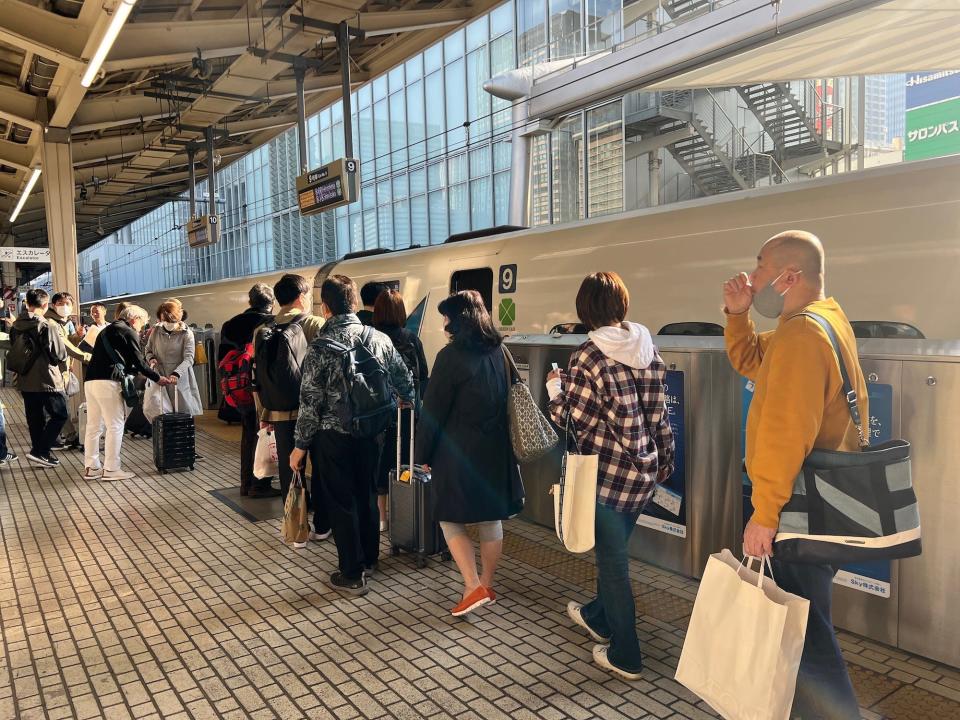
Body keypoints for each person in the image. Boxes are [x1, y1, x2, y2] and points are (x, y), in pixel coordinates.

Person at [723, 230, 866, 719]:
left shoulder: (803, 335)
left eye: (760, 267)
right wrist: (739, 314)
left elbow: (786, 433)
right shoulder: (817, 322)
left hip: (794, 508)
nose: (753, 274)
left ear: (789, 277)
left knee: (808, 641)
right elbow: (751, 360)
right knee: (803, 629)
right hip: (815, 501)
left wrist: (765, 514)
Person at [546, 272, 675, 681]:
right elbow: (659, 415)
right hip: (643, 473)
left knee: (613, 564)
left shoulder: (588, 355)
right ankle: (597, 616)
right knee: (613, 555)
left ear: (586, 309)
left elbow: (575, 420)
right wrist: (662, 461)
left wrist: (555, 391)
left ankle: (626, 653)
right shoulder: (648, 347)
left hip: (605, 478)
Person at [289, 275, 413, 595]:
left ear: (325, 308)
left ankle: (352, 573)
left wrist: (300, 446)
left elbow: (310, 402)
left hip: (333, 435)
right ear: (355, 303)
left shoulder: (320, 348)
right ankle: (370, 558)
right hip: (374, 431)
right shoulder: (380, 338)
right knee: (367, 495)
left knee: (342, 502)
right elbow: (405, 383)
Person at [415, 290, 519, 617]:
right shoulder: (500, 351)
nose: (444, 324)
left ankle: (472, 585)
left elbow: (432, 413)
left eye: (446, 317)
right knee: (490, 519)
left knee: (448, 517)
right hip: (496, 448)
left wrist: (422, 453)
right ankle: (486, 583)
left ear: (458, 320)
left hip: (458, 452)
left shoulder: (450, 358)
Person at [254, 274, 328, 535]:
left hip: (279, 411)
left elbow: (260, 377)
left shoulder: (261, 330)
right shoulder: (314, 323)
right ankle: (322, 525)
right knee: (320, 467)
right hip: (314, 412)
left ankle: (296, 526)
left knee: (291, 469)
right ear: (302, 296)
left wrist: (264, 413)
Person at [84, 305, 173, 481]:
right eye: (142, 323)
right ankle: (111, 469)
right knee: (115, 425)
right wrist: (157, 378)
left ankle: (91, 467)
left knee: (94, 426)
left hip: (91, 381)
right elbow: (139, 362)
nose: (142, 328)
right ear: (134, 319)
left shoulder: (106, 330)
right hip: (108, 382)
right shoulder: (128, 331)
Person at [373, 289, 429, 531]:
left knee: (380, 462)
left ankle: (382, 518)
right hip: (407, 412)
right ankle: (407, 512)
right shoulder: (411, 338)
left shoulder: (371, 337)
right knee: (405, 460)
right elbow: (423, 375)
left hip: (379, 413)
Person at [220, 283, 279, 498]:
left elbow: (222, 361)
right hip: (261, 389)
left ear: (250, 302)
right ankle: (260, 484)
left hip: (238, 390)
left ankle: (245, 483)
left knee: (248, 435)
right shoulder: (270, 323)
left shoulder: (230, 324)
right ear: (271, 303)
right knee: (265, 433)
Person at [9, 289, 69, 468]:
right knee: (60, 415)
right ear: (45, 305)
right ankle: (40, 451)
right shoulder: (46, 325)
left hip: (25, 379)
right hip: (47, 380)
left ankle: (40, 453)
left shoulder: (17, 324)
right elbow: (58, 353)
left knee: (35, 418)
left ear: (27, 303)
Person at [46, 292, 90, 448]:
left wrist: (78, 337)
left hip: (62, 369)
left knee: (58, 406)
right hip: (52, 371)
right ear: (53, 305)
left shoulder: (65, 322)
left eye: (67, 303)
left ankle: (56, 439)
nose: (64, 306)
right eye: (60, 303)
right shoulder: (51, 322)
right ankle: (67, 437)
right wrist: (87, 357)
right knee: (59, 407)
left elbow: (69, 342)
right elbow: (64, 346)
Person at [145, 300, 204, 417]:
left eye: (170, 320)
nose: (166, 323)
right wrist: (151, 358)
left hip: (179, 378)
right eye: (164, 320)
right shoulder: (156, 331)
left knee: (182, 412)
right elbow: (148, 349)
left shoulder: (186, 333)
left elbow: (189, 358)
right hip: (159, 376)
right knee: (160, 411)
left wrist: (176, 373)